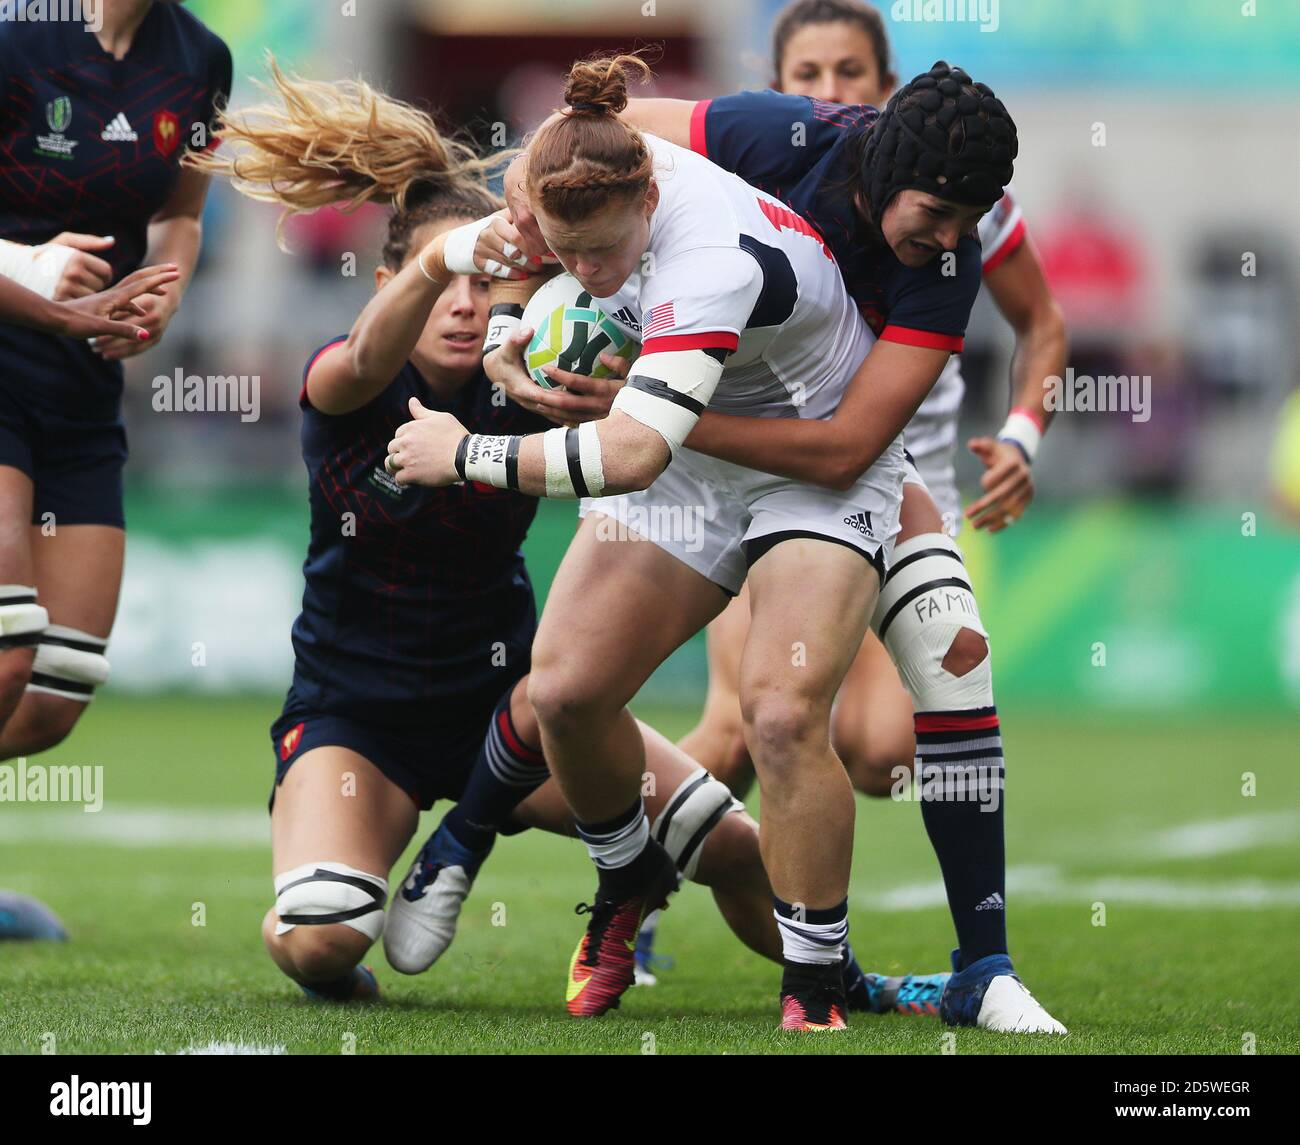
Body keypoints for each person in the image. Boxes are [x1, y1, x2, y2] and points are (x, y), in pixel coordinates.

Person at [195, 64, 941, 1015]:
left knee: (736, 847)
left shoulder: (546, 364)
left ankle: (836, 982)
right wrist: (445, 257)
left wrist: (516, 389)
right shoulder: (356, 384)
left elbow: (629, 424)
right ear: (393, 283)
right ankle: (369, 888)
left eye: (483, 282)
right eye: (441, 283)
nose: (465, 304)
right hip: (359, 716)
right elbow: (369, 348)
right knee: (322, 940)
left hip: (501, 705)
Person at [387, 53, 1016, 1030]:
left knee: (781, 711)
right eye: (935, 213)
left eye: (964, 221)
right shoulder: (772, 136)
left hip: (817, 459)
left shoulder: (790, 257)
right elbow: (556, 152)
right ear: (885, 167)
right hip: (686, 419)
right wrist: (518, 284)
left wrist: (470, 449)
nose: (947, 239)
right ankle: (623, 873)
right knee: (563, 688)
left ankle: (834, 981)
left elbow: (824, 443)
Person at [0, 0, 231, 756]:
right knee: (7, 652)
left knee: (52, 694)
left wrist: (167, 286)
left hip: (82, 389)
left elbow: (181, 214)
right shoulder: (13, 29)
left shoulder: (200, 59)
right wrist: (31, 270)